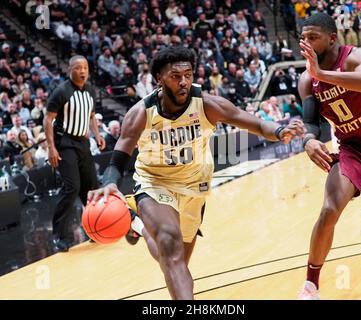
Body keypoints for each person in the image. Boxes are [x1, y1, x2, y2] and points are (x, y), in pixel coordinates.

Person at [87, 46, 305, 300]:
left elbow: (251, 121)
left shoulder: (206, 104)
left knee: (173, 259)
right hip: (155, 183)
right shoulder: (141, 113)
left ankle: (138, 225)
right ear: (159, 78)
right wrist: (110, 182)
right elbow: (120, 155)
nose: (183, 82)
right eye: (175, 76)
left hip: (195, 188)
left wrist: (279, 131)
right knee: (169, 242)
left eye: (188, 75)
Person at [297, 13, 361, 299]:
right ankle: (311, 284)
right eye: (303, 38)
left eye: (313, 37)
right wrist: (308, 140)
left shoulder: (355, 56)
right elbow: (311, 123)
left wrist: (321, 74)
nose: (306, 43)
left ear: (332, 38)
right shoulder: (305, 81)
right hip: (352, 149)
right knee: (329, 209)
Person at [44, 55, 105, 252]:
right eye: (78, 67)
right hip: (64, 142)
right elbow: (48, 120)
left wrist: (97, 135)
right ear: (70, 69)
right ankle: (58, 236)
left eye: (85, 67)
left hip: (83, 142)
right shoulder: (61, 91)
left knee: (91, 189)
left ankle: (94, 228)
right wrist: (51, 147)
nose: (82, 71)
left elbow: (92, 116)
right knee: (72, 188)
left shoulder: (90, 90)